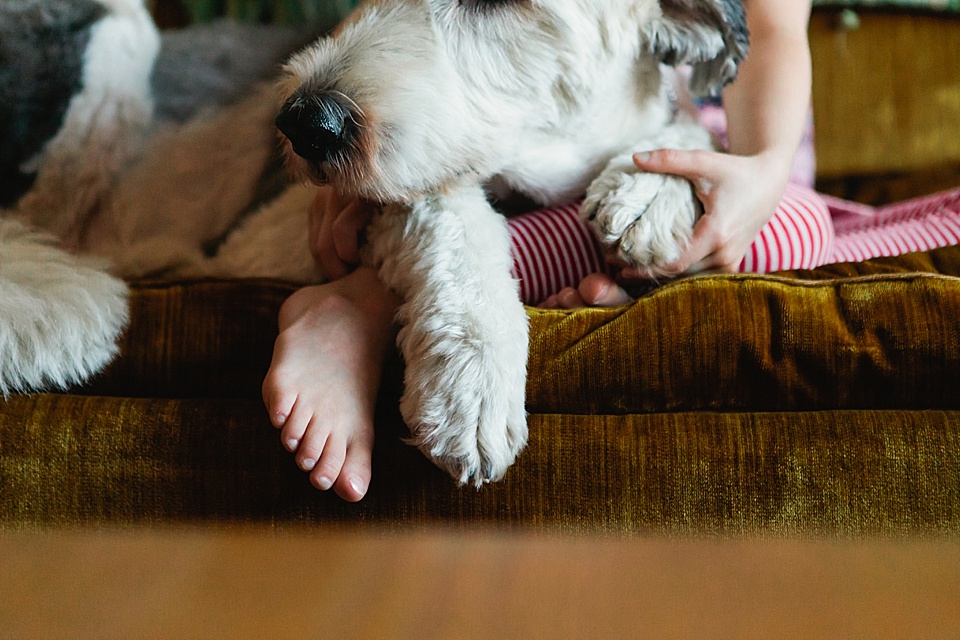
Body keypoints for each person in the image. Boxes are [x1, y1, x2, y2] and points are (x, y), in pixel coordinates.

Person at [261, 0, 823, 502]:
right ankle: (380, 289)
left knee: (793, 227)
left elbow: (768, 26)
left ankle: (368, 299)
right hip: (514, 176)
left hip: (712, 135)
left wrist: (767, 168)